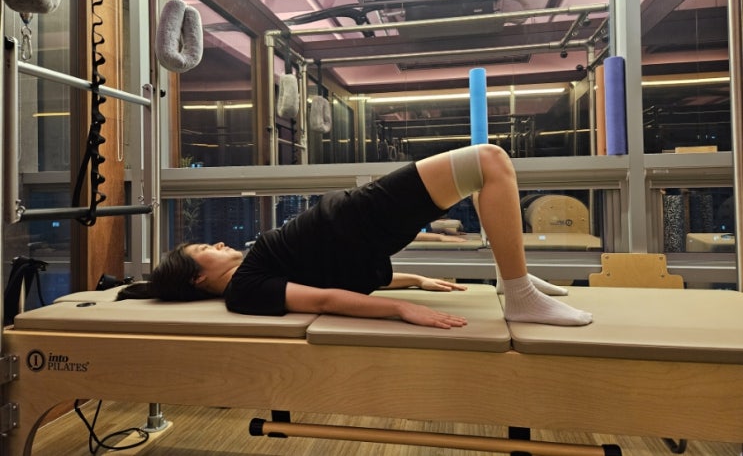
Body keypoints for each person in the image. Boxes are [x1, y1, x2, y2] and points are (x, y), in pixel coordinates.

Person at [120, 144, 592, 328]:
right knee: (488, 163)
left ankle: (514, 281)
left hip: (360, 223)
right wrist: (401, 309)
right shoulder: (244, 290)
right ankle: (519, 293)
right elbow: (326, 298)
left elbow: (329, 273)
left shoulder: (253, 272)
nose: (219, 244)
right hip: (360, 218)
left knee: (484, 171)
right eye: (207, 249)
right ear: (198, 279)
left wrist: (414, 281)